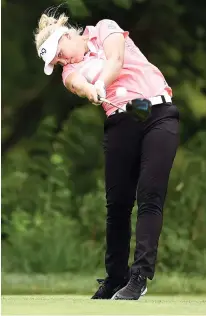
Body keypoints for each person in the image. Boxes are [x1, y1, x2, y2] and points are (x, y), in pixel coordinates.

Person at [34, 12, 179, 300]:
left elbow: (115, 60)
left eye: (60, 55)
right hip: (121, 121)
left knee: (150, 194)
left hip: (159, 115)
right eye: (57, 63)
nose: (63, 62)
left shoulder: (104, 28)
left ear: (65, 36)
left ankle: (139, 277)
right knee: (118, 204)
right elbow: (77, 83)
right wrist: (91, 89)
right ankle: (116, 278)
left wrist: (102, 82)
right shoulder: (68, 72)